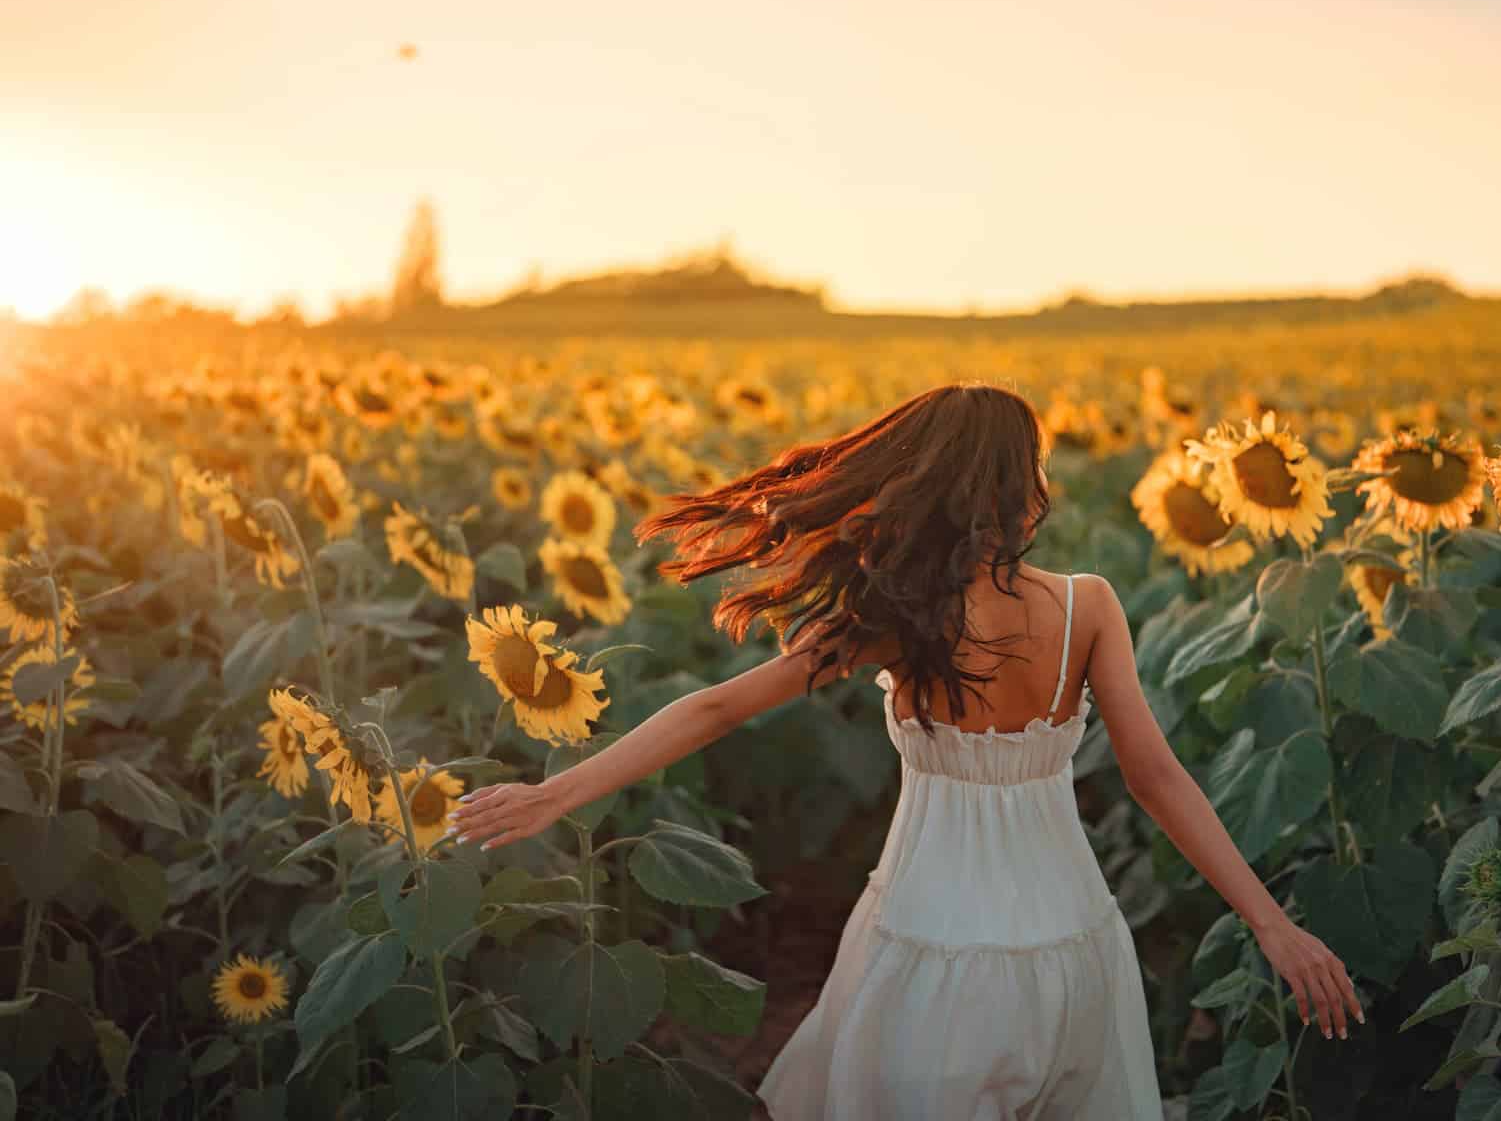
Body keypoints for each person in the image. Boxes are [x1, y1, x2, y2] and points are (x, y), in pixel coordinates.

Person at [446, 382, 1364, 1119]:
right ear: (1021, 488)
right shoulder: (1090, 604)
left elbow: (716, 710)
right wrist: (1270, 924)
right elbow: (1156, 779)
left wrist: (556, 794)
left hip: (932, 945)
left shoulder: (899, 620)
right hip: (1076, 949)